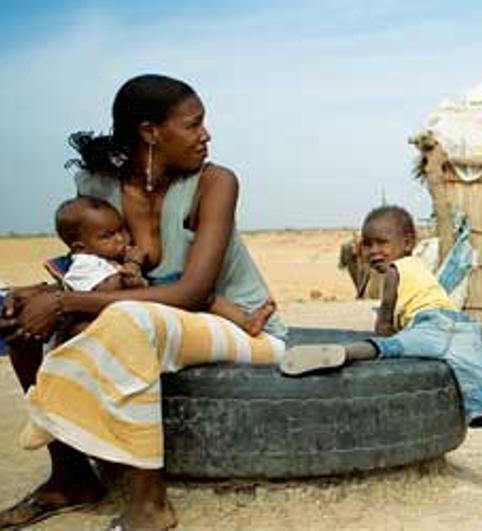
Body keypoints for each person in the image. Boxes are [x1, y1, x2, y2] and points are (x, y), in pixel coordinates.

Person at [0, 74, 286, 531]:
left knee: (128, 320)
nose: (206, 134)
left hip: (243, 326)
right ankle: (71, 476)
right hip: (148, 316)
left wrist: (63, 302)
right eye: (193, 124)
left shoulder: (216, 183)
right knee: (17, 319)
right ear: (150, 132)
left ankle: (150, 505)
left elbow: (191, 292)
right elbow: (91, 269)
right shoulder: (99, 187)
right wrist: (44, 295)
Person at [280, 205, 482, 518]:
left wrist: (386, 329)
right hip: (462, 329)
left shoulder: (395, 272)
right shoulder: (421, 269)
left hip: (428, 327)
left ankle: (346, 352)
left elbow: (385, 322)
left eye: (382, 243)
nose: (374, 251)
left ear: (407, 243)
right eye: (368, 244)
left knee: (386, 347)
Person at [53, 195, 277, 335]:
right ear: (80, 246)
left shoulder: (108, 259)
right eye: (107, 236)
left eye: (121, 230)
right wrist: (132, 264)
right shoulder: (83, 265)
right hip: (112, 316)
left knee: (202, 295)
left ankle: (246, 321)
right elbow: (105, 291)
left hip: (139, 302)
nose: (120, 239)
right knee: (187, 294)